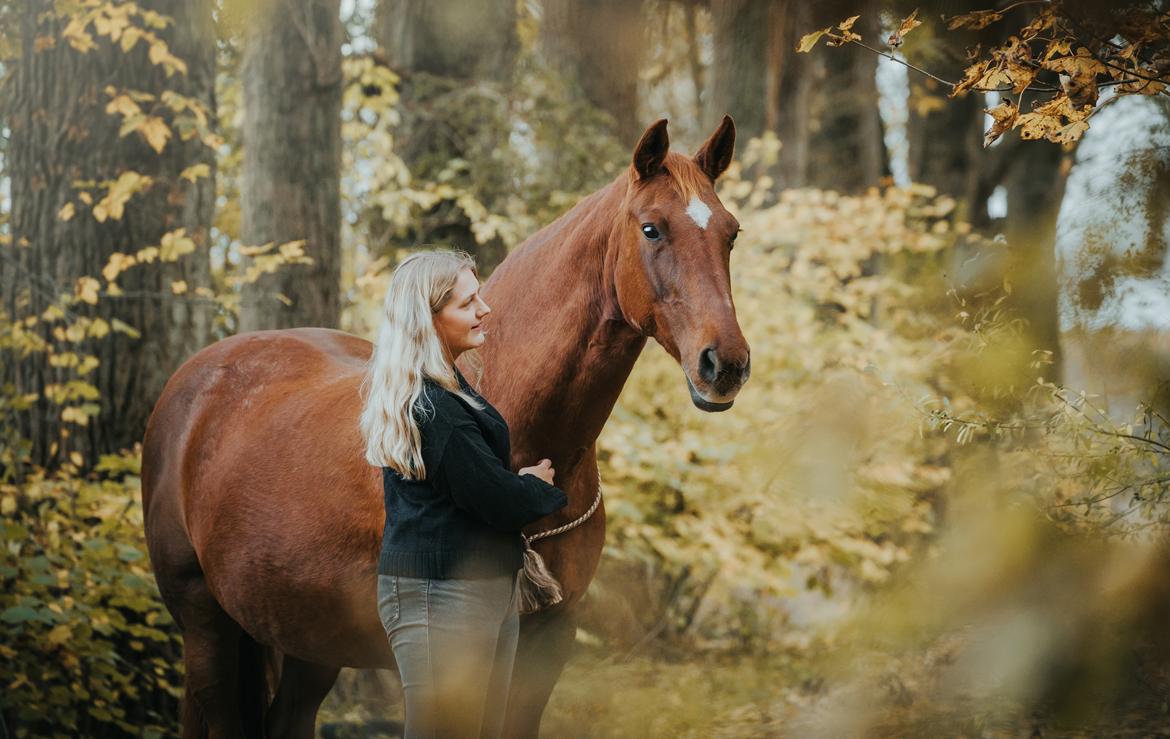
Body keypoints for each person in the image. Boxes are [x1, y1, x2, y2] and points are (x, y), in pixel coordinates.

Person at [358, 249, 569, 739]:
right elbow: (495, 499)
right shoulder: (434, 407)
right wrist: (535, 487)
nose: (484, 309)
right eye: (467, 302)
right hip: (441, 596)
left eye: (480, 297)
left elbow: (475, 481)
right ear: (428, 318)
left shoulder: (451, 389)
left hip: (479, 589)